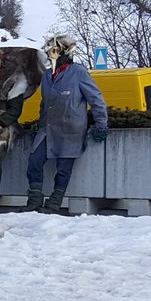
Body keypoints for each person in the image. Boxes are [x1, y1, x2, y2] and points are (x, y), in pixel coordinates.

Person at [26, 35, 108, 214]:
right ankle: (34, 200)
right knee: (34, 161)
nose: (50, 55)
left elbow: (96, 98)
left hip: (70, 130)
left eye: (54, 51)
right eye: (49, 51)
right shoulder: (47, 75)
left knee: (63, 169)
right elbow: (45, 103)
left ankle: (54, 203)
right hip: (48, 129)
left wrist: (101, 123)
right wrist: (40, 124)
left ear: (64, 52)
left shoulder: (79, 73)